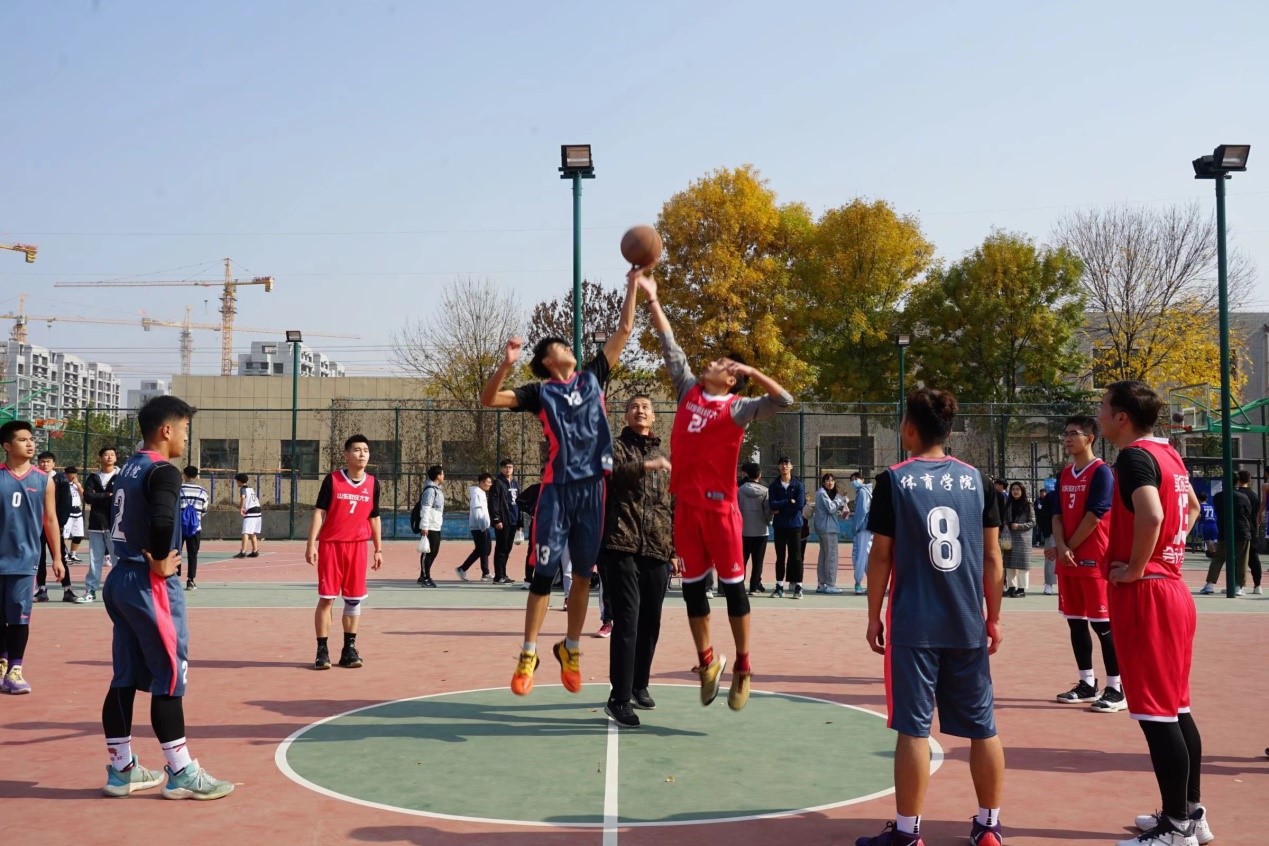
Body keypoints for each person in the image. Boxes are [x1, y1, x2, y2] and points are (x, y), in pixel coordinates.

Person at [480, 267, 640, 697]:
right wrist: (506, 364)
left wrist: (632, 284)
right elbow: (489, 399)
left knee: (584, 575)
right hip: (557, 491)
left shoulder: (593, 377)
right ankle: (528, 653)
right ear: (550, 359)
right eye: (563, 346)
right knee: (544, 575)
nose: (571, 348)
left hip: (594, 490)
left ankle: (570, 649)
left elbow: (625, 329)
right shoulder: (539, 393)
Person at [640, 273, 794, 711]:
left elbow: (784, 400)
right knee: (692, 591)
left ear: (731, 381)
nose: (712, 363)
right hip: (686, 510)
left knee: (734, 590)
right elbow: (669, 344)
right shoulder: (688, 390)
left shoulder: (739, 408)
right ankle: (707, 662)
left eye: (723, 364)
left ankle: (743, 665)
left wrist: (753, 371)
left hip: (722, 511)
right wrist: (653, 298)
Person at [858, 388, 1004, 846]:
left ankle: (908, 833)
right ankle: (989, 827)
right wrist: (993, 618)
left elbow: (881, 556)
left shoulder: (893, 481)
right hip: (967, 622)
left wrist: (873, 615)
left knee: (913, 729)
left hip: (914, 625)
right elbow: (993, 558)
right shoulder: (978, 480)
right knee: (983, 727)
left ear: (910, 429)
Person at [98, 395, 233, 800]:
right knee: (171, 676)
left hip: (120, 578)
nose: (186, 438)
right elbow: (161, 519)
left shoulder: (127, 468)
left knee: (124, 676)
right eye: (185, 429)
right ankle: (181, 771)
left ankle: (122, 769)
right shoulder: (164, 471)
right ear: (167, 430)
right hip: (148, 583)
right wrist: (159, 560)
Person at [1098, 380, 1209, 846]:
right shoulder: (1169, 455)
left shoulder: (1134, 458)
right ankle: (1191, 813)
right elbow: (1192, 507)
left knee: (1157, 716)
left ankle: (1176, 827)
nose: (1099, 415)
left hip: (1149, 594)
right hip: (1173, 590)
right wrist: (1166, 554)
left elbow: (1153, 515)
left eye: (1104, 407)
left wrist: (1137, 567)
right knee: (1177, 709)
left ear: (1122, 417)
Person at [598, 394, 674, 728]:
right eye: (634, 407)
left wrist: (675, 550)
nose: (640, 410)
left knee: (651, 621)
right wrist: (644, 466)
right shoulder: (614, 447)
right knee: (627, 620)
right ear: (626, 415)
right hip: (621, 544)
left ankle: (639, 684)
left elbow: (670, 505)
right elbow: (609, 477)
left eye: (646, 407)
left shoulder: (663, 456)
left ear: (654, 416)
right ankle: (618, 698)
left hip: (657, 548)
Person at [1050, 416, 1123, 713]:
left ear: (1090, 438)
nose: (1067, 438)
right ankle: (1087, 683)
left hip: (1094, 560)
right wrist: (1061, 547)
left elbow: (1095, 516)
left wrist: (1068, 546)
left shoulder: (1102, 472)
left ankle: (1117, 687)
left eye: (1074, 433)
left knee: (1103, 625)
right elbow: (1056, 515)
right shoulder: (1065, 473)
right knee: (1075, 622)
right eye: (1065, 433)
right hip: (1068, 560)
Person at [305, 434, 382, 671]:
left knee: (354, 599)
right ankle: (322, 651)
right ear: (346, 455)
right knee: (327, 598)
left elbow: (374, 517)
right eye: (357, 450)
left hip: (358, 546)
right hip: (332, 545)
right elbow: (319, 512)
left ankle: (349, 649)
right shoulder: (333, 480)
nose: (362, 454)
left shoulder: (373, 483)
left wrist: (378, 549)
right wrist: (311, 544)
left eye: (365, 450)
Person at [0, 421, 64, 694]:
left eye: (31, 439)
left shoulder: (44, 479)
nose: (30, 443)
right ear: (7, 446)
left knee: (19, 616)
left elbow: (50, 519)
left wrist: (58, 557)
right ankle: (2, 663)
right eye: (22, 439)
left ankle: (15, 669)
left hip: (25, 560)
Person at [34, 450, 76, 603]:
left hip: (54, 525)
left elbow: (66, 503)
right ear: (38, 463)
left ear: (54, 464)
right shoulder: (34, 479)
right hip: (37, 525)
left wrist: (60, 524)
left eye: (48, 461)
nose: (45, 464)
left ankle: (67, 589)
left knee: (59, 557)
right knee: (39, 558)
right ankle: (42, 590)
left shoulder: (61, 480)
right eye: (42, 461)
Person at [80, 445, 119, 603]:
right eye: (106, 454)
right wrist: (107, 495)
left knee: (117, 559)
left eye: (112, 454)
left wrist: (98, 496)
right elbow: (88, 496)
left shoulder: (121, 476)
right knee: (95, 559)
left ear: (116, 458)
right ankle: (90, 590)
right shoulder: (93, 477)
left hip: (115, 524)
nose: (109, 457)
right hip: (96, 523)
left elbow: (120, 496)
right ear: (100, 458)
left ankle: (118, 590)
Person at [1201, 475, 1252, 596]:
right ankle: (1238, 586)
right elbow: (1248, 513)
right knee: (1242, 560)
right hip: (1242, 531)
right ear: (1237, 482)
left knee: (1218, 559)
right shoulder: (1243, 497)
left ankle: (1209, 584)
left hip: (1225, 531)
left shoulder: (1218, 497)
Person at [768, 457, 806, 599]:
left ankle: (798, 587)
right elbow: (772, 505)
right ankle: (779, 586)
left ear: (791, 466)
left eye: (787, 463)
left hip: (795, 525)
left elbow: (799, 505)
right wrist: (789, 501)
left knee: (796, 557)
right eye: (782, 464)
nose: (784, 466)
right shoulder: (774, 485)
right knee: (780, 557)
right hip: (780, 526)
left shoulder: (798, 485)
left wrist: (782, 508)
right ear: (778, 467)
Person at [738, 463, 772, 594]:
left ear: (747, 474)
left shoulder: (739, 490)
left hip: (743, 530)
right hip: (761, 530)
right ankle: (754, 587)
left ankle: (739, 585)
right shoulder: (765, 491)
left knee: (742, 560)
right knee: (758, 561)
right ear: (759, 475)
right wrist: (768, 522)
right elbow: (768, 510)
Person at [814, 473, 847, 594]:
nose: (830, 482)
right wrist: (839, 498)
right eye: (827, 480)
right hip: (829, 529)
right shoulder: (822, 493)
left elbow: (831, 509)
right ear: (823, 482)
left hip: (824, 528)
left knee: (824, 556)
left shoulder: (821, 493)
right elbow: (831, 508)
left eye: (832, 480)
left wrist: (841, 503)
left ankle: (822, 583)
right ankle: (830, 584)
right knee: (831, 556)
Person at [178, 466, 210, 591]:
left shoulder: (178, 489)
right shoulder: (203, 492)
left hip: (179, 528)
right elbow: (204, 510)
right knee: (193, 554)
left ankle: (174, 579)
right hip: (195, 528)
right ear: (196, 476)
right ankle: (190, 580)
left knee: (176, 553)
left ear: (184, 475)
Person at [456, 473, 493, 581]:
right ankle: (465, 569)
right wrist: (482, 526)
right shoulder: (477, 493)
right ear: (481, 482)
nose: (490, 484)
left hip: (483, 526)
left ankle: (484, 572)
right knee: (482, 549)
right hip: (479, 527)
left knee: (484, 549)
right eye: (488, 482)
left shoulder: (481, 493)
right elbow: (477, 511)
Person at [489, 459, 520, 585]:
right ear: (501, 468)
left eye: (510, 467)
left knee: (507, 548)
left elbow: (519, 502)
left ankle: (503, 574)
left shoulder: (515, 483)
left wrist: (520, 522)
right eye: (506, 467)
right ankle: (498, 576)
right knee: (501, 548)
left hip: (513, 520)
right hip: (503, 520)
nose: (508, 469)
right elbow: (493, 502)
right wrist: (497, 519)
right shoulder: (498, 483)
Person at [1002, 482, 1034, 597]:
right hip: (1009, 538)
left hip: (1023, 539)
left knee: (1022, 565)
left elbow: (1032, 522)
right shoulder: (1008, 504)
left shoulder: (1028, 505)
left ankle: (1021, 589)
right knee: (1009, 564)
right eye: (1013, 489)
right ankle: (1011, 587)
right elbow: (1004, 519)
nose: (1015, 491)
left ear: (1022, 491)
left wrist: (1019, 526)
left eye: (1017, 489)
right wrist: (1005, 524)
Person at [416, 465, 444, 588]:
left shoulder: (437, 489)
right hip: (430, 526)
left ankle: (423, 575)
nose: (443, 476)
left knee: (434, 551)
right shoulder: (430, 490)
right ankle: (425, 577)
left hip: (436, 525)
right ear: (438, 476)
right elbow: (426, 508)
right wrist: (424, 526)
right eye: (442, 474)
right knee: (428, 552)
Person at [1236, 470, 1261, 594]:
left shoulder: (1236, 494)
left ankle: (1238, 585)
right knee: (1254, 558)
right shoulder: (1254, 495)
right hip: (1252, 529)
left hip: (1239, 529)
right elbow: (1257, 513)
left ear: (1238, 479)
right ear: (1250, 480)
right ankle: (1257, 585)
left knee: (1238, 559)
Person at [849, 472, 873, 595]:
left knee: (859, 556)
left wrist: (856, 527)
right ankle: (873, 583)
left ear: (862, 480)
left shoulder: (863, 492)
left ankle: (858, 583)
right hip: (865, 528)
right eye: (852, 480)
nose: (854, 481)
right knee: (866, 557)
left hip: (863, 529)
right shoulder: (863, 492)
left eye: (856, 479)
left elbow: (862, 511)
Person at [234, 473, 261, 558]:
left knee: (245, 532)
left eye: (237, 481)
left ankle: (243, 552)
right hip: (258, 510)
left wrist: (240, 508)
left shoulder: (243, 489)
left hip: (251, 511)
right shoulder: (251, 489)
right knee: (252, 532)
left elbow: (243, 498)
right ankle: (255, 551)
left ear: (239, 481)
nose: (237, 483)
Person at [63, 465, 85, 564]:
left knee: (79, 535)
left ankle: (73, 553)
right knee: (65, 536)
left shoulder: (77, 485)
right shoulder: (63, 485)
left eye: (74, 474)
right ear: (66, 475)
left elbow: (83, 495)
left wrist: (78, 485)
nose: (73, 476)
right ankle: (64, 554)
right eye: (70, 474)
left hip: (77, 511)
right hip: (67, 511)